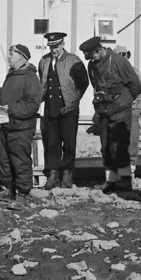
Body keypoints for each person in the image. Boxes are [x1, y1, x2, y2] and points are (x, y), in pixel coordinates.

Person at [80, 37, 141, 194]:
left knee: (120, 148)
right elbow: (96, 85)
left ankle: (125, 183)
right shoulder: (92, 65)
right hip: (104, 112)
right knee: (107, 148)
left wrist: (125, 101)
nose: (91, 59)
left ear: (100, 50)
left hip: (121, 111)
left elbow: (135, 85)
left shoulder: (118, 62)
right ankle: (111, 181)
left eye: (93, 55)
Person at [0, 43, 42, 204]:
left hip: (21, 127)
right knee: (3, 159)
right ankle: (8, 190)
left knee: (20, 160)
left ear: (21, 56)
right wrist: (0, 93)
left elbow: (32, 104)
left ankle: (23, 194)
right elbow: (13, 95)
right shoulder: (12, 74)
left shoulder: (31, 77)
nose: (9, 57)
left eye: (11, 54)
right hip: (6, 125)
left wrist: (10, 108)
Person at [37, 31, 89, 190]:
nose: (54, 49)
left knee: (68, 143)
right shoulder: (44, 61)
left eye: (57, 46)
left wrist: (73, 102)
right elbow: (43, 83)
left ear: (63, 44)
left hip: (68, 109)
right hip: (51, 108)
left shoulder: (73, 61)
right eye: (51, 46)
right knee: (51, 143)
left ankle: (66, 176)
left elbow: (84, 83)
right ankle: (52, 175)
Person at [116, 45, 141, 166]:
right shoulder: (111, 72)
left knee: (132, 140)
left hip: (132, 110)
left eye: (125, 55)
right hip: (116, 112)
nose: (124, 58)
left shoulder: (134, 72)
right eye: (120, 55)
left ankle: (131, 166)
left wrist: (138, 109)